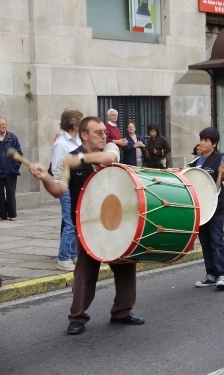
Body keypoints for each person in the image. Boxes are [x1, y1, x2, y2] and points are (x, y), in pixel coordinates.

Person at [30, 116, 145, 335]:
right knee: (84, 272)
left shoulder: (110, 147)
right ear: (84, 134)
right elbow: (58, 190)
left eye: (104, 131)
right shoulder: (68, 160)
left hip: (116, 222)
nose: (104, 135)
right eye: (98, 132)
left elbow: (110, 157)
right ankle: (77, 317)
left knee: (125, 267)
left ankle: (121, 312)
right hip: (87, 226)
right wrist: (44, 177)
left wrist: (79, 160)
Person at [190, 127, 224, 289]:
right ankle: (210, 275)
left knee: (217, 241)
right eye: (201, 139)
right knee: (205, 242)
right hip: (201, 208)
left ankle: (223, 275)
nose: (202, 143)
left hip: (215, 207)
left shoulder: (221, 159)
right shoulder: (196, 161)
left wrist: (223, 172)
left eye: (206, 140)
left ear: (214, 144)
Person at [51, 108, 83, 271]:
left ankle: (71, 254)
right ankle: (63, 258)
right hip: (66, 187)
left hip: (77, 185)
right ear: (74, 125)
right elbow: (57, 169)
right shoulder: (61, 144)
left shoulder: (76, 141)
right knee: (69, 223)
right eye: (80, 122)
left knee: (75, 222)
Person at [0, 117, 22, 221]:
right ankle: (2, 214)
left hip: (10, 171)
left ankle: (12, 214)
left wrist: (15, 166)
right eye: (2, 124)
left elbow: (19, 154)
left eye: (5, 124)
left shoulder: (12, 137)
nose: (4, 126)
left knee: (10, 193)